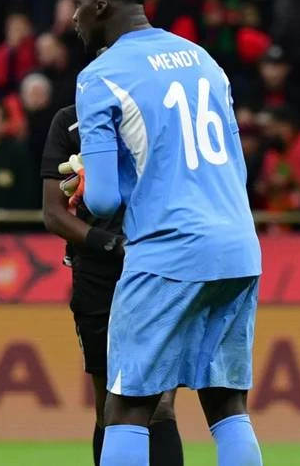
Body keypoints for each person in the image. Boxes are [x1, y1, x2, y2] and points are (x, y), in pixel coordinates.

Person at [70, 0, 263, 466]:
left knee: (129, 403)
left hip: (169, 251)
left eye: (78, 5)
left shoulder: (100, 77)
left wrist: (94, 175)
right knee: (226, 403)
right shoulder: (203, 60)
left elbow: (105, 201)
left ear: (102, 5)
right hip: (238, 244)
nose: (74, 17)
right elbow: (237, 168)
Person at [41, 103, 183, 466]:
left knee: (161, 403)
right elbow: (54, 212)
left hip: (157, 264)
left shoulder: (159, 109)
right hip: (97, 272)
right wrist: (110, 244)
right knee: (109, 401)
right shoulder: (69, 121)